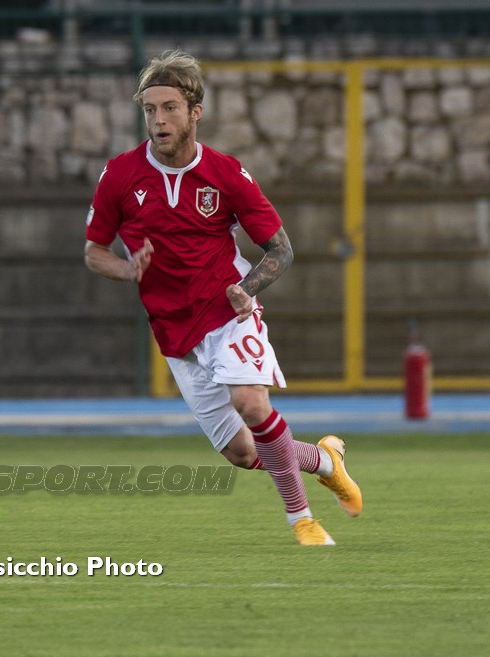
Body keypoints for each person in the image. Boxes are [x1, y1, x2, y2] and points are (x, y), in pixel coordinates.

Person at [83, 50, 362, 546]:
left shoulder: (227, 174)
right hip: (174, 331)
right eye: (150, 109)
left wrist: (246, 289)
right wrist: (127, 269)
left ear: (195, 112)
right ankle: (325, 461)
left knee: (250, 402)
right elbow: (93, 252)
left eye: (170, 108)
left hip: (227, 313)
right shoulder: (120, 176)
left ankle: (302, 520)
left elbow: (281, 249)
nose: (158, 120)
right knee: (242, 452)